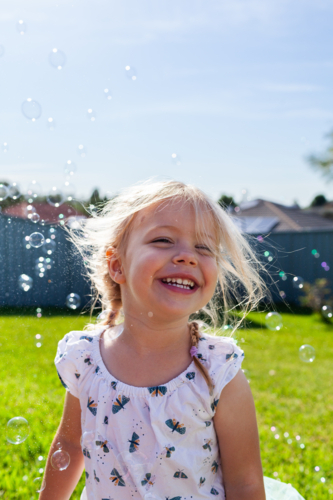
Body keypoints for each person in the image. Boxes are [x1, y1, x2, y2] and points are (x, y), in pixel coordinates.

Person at [39, 180, 305, 500]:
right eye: (163, 239)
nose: (187, 257)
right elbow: (69, 446)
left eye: (204, 248)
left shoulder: (217, 372)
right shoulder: (86, 359)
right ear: (117, 264)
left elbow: (245, 483)